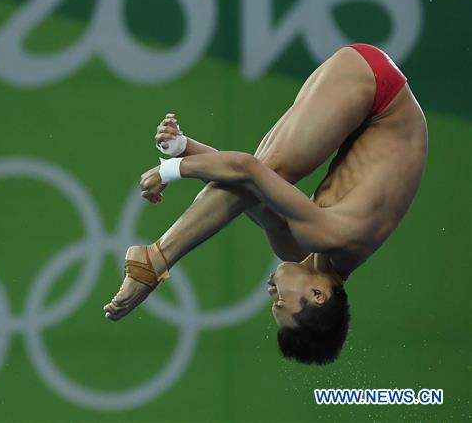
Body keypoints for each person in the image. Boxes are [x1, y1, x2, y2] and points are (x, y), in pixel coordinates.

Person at [103, 43, 427, 365]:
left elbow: (245, 190)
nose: (271, 293)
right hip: (377, 88)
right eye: (279, 303)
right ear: (318, 295)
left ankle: (157, 257)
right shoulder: (331, 237)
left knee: (265, 179)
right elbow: (248, 170)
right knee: (273, 171)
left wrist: (184, 148)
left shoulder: (295, 248)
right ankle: (157, 258)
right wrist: (170, 170)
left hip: (369, 108)